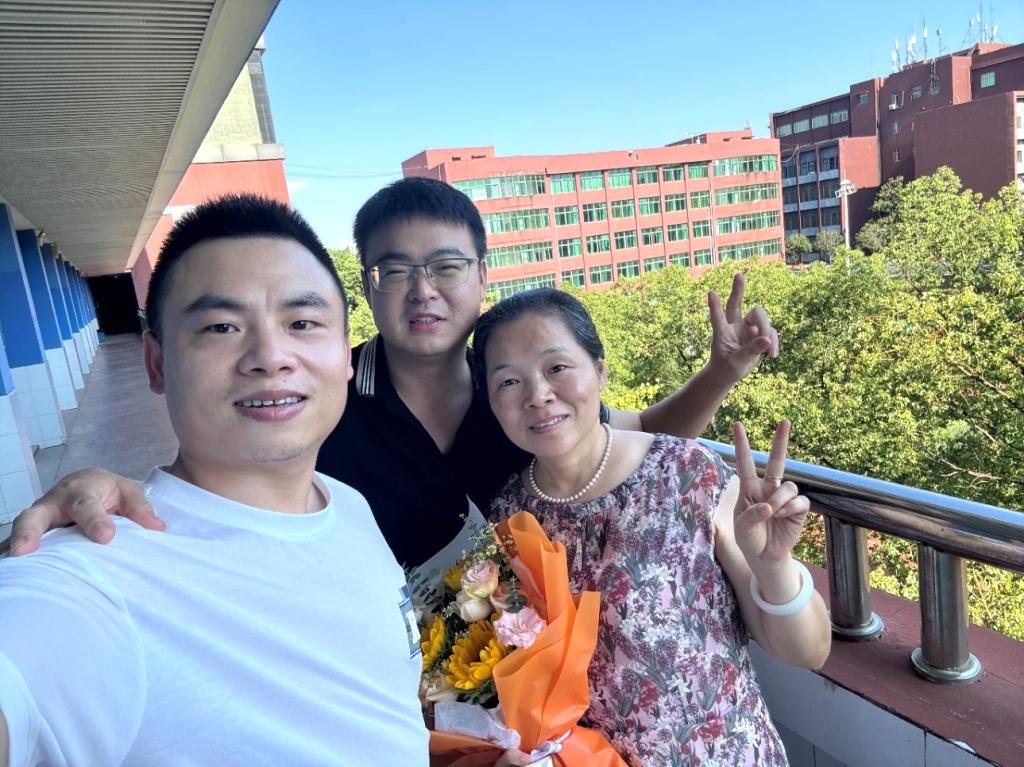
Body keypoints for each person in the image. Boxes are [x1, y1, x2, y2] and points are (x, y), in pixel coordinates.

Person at [8, 177, 779, 575]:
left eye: (446, 267)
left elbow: (637, 446)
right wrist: (106, 486)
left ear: (483, 276)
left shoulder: (519, 395)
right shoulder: (315, 399)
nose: (423, 291)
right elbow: (217, 477)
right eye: (396, 270)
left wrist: (720, 372)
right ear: (367, 285)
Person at [0, 195, 429, 766]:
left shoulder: (346, 504)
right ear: (156, 362)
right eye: (221, 326)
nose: (271, 356)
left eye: (302, 323)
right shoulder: (98, 576)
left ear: (345, 352)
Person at [472, 288, 831, 766]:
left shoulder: (686, 473)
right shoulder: (504, 517)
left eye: (557, 368)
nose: (538, 395)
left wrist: (774, 566)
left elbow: (809, 652)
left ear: (600, 372)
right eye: (509, 381)